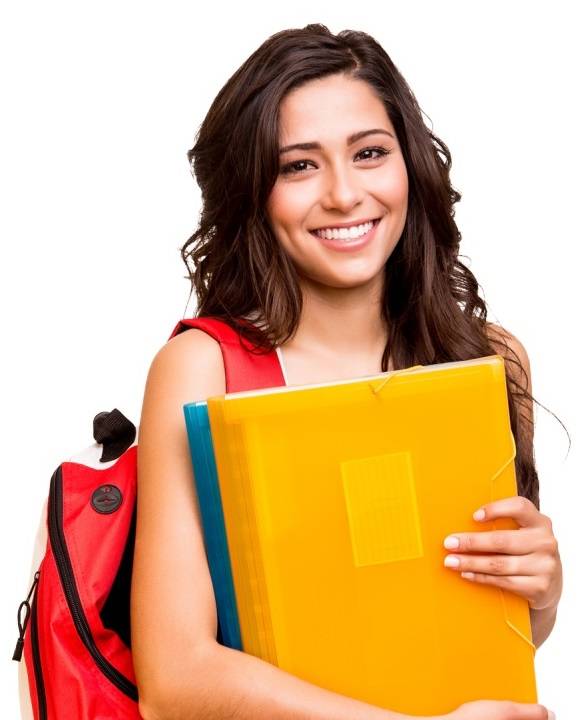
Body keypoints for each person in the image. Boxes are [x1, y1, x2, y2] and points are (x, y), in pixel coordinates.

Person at [131, 23, 562, 720]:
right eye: (299, 166)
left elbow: (472, 636)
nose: (343, 194)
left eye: (369, 153)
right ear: (252, 190)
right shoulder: (203, 369)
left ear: (410, 163)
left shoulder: (487, 358)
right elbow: (174, 680)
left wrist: (541, 594)